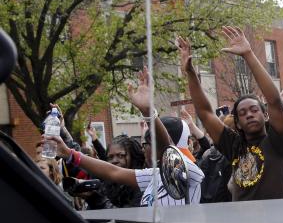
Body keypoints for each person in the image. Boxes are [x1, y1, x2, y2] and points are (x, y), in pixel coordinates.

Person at [43, 69, 204, 206]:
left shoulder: (189, 170)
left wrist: (149, 113)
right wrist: (69, 154)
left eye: (152, 142)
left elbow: (166, 147)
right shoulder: (156, 174)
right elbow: (113, 172)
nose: (147, 147)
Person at [177, 27, 283, 201]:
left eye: (254, 110)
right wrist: (191, 73)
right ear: (237, 123)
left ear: (265, 115)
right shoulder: (234, 146)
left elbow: (274, 101)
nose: (249, 115)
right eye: (243, 113)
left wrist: (248, 54)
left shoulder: (277, 141)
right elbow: (205, 113)